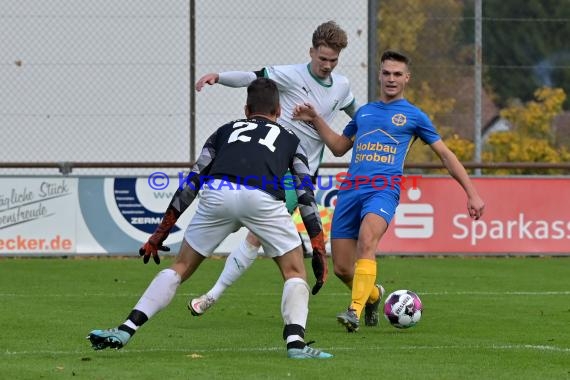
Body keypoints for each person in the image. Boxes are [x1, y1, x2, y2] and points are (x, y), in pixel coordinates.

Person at [87, 78, 332, 359]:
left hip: (219, 192)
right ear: (278, 110)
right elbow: (305, 193)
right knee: (294, 272)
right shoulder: (291, 139)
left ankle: (126, 328)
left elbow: (192, 181)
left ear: (246, 109)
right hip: (263, 198)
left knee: (180, 266)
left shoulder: (223, 132)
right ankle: (296, 345)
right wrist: (318, 249)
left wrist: (159, 235)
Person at [189, 20, 386, 325]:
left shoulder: (342, 86)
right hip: (267, 165)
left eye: (333, 60)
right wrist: (219, 77)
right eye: (323, 59)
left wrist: (384, 130)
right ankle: (371, 294)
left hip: (297, 176)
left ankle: (211, 296)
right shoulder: (290, 74)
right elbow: (252, 78)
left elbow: (360, 115)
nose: (327, 66)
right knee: (245, 230)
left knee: (255, 236)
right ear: (311, 52)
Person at [292, 50, 486, 332]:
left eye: (397, 74)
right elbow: (338, 147)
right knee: (342, 268)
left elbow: (445, 154)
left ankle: (353, 312)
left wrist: (472, 192)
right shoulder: (364, 112)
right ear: (380, 75)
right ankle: (372, 296)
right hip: (350, 191)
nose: (391, 79)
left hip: (383, 190)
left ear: (407, 78)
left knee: (367, 242)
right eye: (386, 73)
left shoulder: (414, 116)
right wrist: (314, 118)